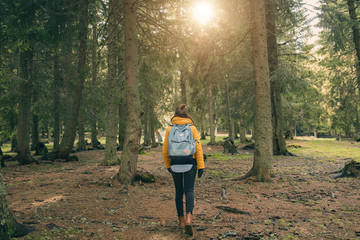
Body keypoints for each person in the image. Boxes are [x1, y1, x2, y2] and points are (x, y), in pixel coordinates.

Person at [163, 104, 205, 236]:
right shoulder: (192, 128)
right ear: (187, 114)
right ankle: (189, 218)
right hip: (190, 163)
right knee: (189, 190)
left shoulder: (170, 129)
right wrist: (201, 166)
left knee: (179, 192)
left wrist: (168, 165)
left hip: (175, 163)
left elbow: (165, 149)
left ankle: (181, 221)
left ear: (175, 114)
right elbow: (198, 148)